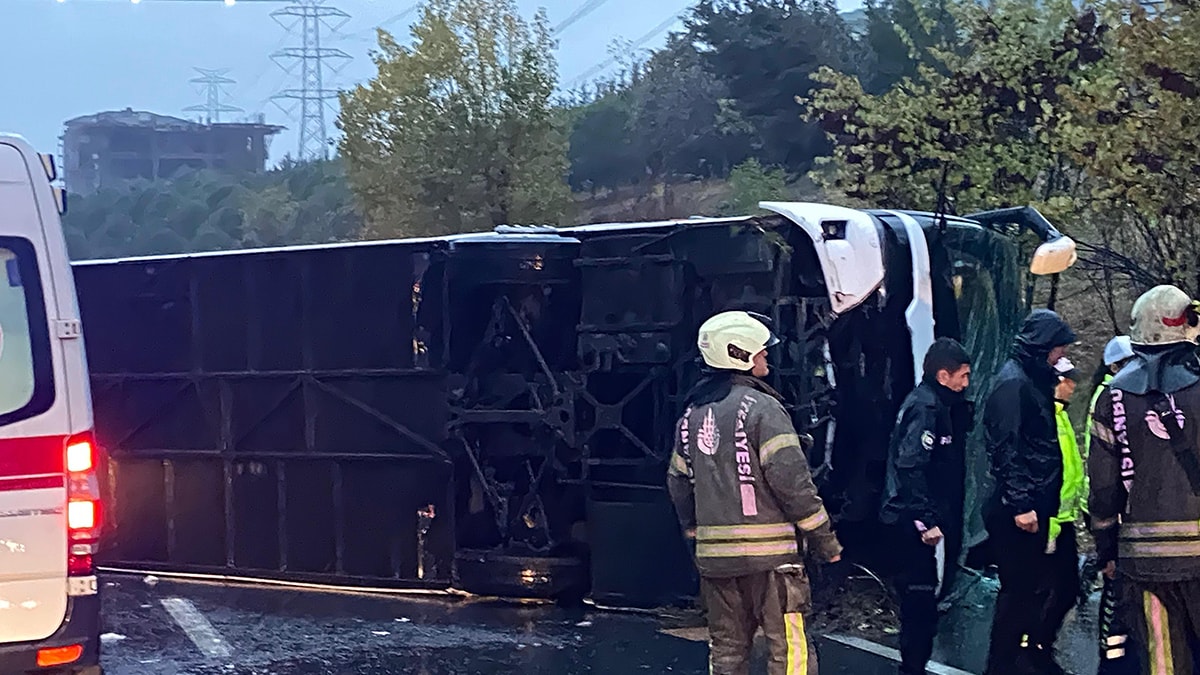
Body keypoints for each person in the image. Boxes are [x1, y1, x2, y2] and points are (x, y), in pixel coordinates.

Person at [666, 310, 842, 675]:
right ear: (740, 354)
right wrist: (825, 542)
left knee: (727, 651)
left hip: (716, 564)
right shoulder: (764, 410)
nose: (766, 357)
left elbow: (678, 482)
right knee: (788, 650)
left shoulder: (690, 416)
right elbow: (794, 485)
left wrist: (693, 532)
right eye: (761, 351)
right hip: (773, 564)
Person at [1089, 285, 1200, 674]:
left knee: (1163, 662)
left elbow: (1103, 489)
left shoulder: (1111, 396)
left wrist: (1106, 548)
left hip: (1144, 564)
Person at [983, 308, 1077, 675]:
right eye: (1059, 349)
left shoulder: (1030, 380)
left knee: (1029, 592)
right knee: (1017, 593)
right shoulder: (1014, 384)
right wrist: (1022, 503)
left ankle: (1017, 661)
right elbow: (1005, 447)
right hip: (1020, 511)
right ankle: (1001, 666)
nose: (1062, 357)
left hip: (1036, 504)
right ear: (1043, 347)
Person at [880, 337, 973, 675]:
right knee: (919, 603)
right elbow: (910, 465)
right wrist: (925, 518)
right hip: (913, 523)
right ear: (943, 374)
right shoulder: (925, 407)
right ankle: (912, 669)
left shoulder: (941, 406)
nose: (966, 384)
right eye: (962, 376)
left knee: (924, 604)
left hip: (925, 516)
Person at [1084, 335, 1139, 675]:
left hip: (1118, 519)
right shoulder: (1116, 399)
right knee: (1118, 609)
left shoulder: (1113, 396)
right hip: (1122, 522)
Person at [1037, 357, 1086, 670]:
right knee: (1049, 590)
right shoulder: (1047, 417)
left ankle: (1040, 644)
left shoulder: (1061, 415)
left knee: (1067, 589)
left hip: (1064, 520)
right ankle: (1033, 647)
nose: (1072, 385)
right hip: (1051, 524)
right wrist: (1051, 529)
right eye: (1067, 379)